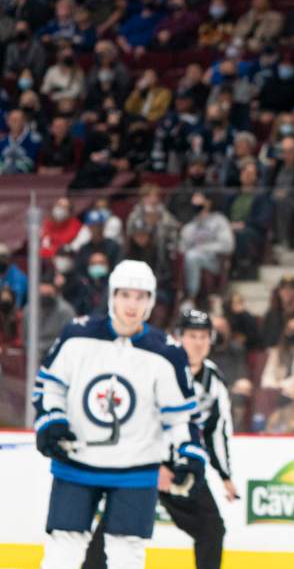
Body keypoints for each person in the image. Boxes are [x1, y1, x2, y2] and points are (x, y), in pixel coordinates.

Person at [32, 260, 206, 569]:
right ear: (112, 296)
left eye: (140, 297)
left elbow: (180, 417)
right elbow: (49, 387)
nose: (132, 304)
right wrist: (52, 421)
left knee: (127, 554)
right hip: (77, 462)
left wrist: (189, 451)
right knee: (63, 550)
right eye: (125, 295)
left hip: (135, 469)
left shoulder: (167, 353)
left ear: (151, 301)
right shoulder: (77, 335)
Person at [83, 309, 238, 569]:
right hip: (143, 462)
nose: (198, 343)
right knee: (115, 525)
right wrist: (154, 465)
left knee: (211, 529)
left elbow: (214, 430)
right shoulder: (157, 365)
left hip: (183, 467)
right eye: (191, 335)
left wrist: (224, 474)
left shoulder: (214, 381)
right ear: (179, 337)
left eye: (203, 336)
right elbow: (135, 417)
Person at [178, 193, 234, 299]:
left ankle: (191, 296)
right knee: (190, 256)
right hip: (193, 259)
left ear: (208, 203)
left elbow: (228, 245)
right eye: (195, 203)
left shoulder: (219, 220)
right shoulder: (190, 226)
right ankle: (185, 295)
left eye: (201, 202)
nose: (198, 205)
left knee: (192, 256)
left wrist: (202, 248)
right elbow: (181, 247)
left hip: (214, 261)